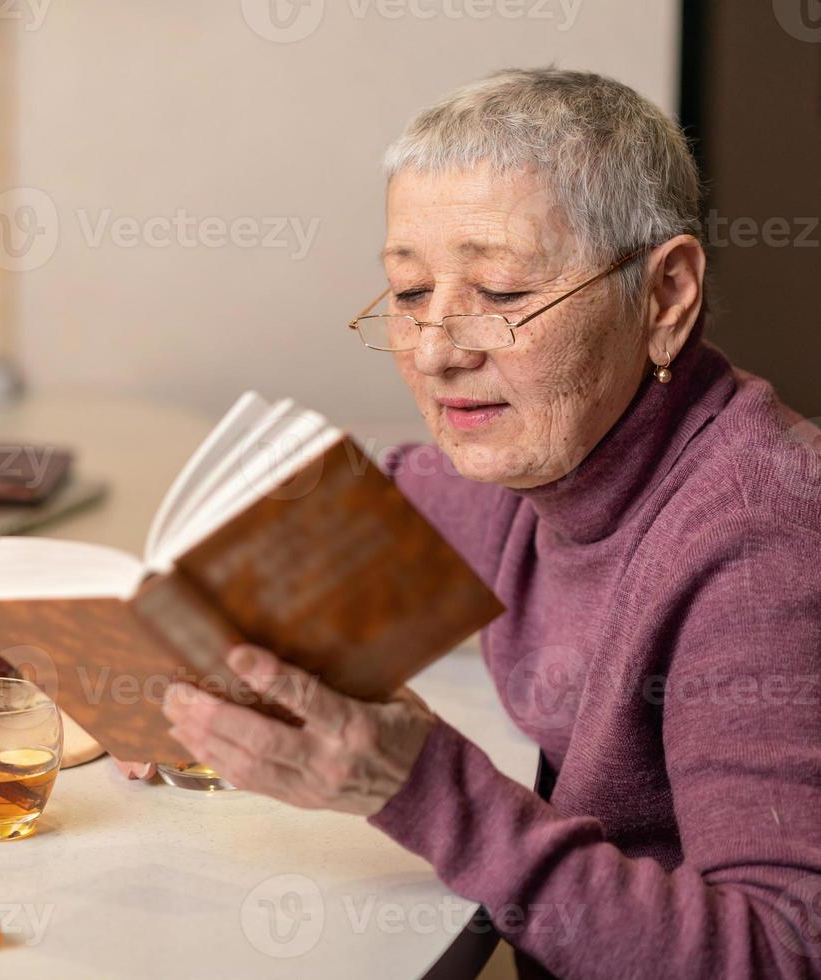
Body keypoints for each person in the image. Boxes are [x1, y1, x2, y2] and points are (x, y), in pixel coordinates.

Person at [128, 69, 821, 978]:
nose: (437, 351)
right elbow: (370, 497)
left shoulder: (765, 538)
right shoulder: (536, 446)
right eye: (410, 294)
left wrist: (421, 789)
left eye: (499, 292)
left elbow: (778, 957)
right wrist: (144, 660)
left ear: (665, 297)